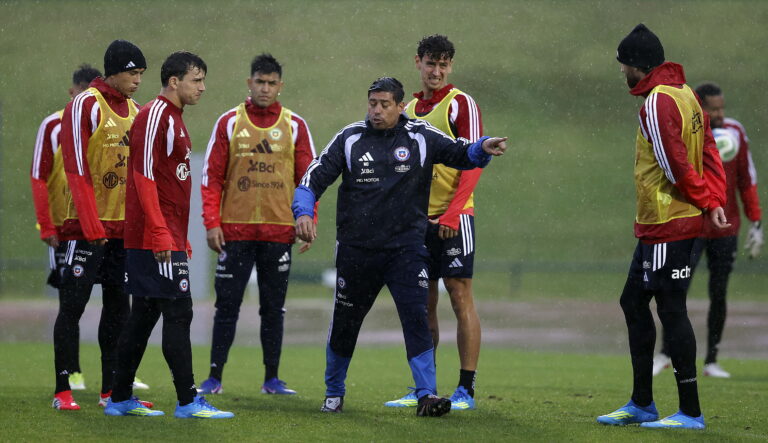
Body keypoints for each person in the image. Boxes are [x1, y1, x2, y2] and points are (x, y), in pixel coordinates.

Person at [292, 77, 507, 416]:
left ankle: (426, 396)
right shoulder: (349, 139)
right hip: (356, 251)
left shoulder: (421, 136)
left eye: (384, 104)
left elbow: (460, 153)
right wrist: (304, 212)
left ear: (399, 106)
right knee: (346, 321)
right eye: (372, 103)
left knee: (416, 317)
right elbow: (311, 180)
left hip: (406, 251)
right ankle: (334, 392)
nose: (376, 111)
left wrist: (482, 148)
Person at [596, 24, 728, 430]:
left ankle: (689, 412)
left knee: (671, 310)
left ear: (638, 65)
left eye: (624, 66)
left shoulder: (656, 101)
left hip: (669, 221)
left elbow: (675, 164)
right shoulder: (686, 94)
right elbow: (709, 150)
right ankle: (642, 404)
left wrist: (708, 201)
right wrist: (715, 199)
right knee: (633, 303)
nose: (622, 73)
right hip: (661, 225)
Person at [104, 51, 232, 419]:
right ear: (174, 81)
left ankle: (119, 398)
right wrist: (161, 233)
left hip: (164, 236)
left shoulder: (173, 118)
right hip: (151, 239)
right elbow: (141, 177)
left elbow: (168, 183)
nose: (203, 87)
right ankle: (188, 401)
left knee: (143, 315)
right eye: (196, 79)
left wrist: (178, 235)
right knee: (179, 312)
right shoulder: (154, 114)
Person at [198, 53, 316, 396]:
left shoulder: (295, 126)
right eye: (259, 82)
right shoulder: (229, 123)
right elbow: (211, 179)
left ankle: (272, 380)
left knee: (273, 309)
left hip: (280, 233)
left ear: (280, 85)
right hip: (234, 232)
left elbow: (309, 179)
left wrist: (307, 219)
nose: (265, 89)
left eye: (271, 83)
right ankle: (214, 378)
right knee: (227, 307)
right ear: (249, 83)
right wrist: (211, 222)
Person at [386, 34, 483, 411]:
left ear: (451, 67)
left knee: (460, 296)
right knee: (421, 304)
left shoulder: (461, 104)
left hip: (457, 217)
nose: (437, 71)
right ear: (418, 63)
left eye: (444, 65)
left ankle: (466, 390)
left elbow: (474, 160)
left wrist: (454, 212)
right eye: (431, 64)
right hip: (418, 222)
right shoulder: (407, 109)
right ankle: (424, 388)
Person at [57, 40, 148, 410]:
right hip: (85, 228)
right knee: (73, 307)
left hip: (122, 231)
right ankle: (62, 391)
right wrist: (91, 224)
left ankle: (110, 391)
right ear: (113, 71)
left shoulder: (137, 111)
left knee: (117, 312)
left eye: (141, 73)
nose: (137, 80)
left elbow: (142, 175)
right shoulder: (85, 105)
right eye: (132, 72)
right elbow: (76, 168)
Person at [652, 82, 763, 378]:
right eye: (713, 108)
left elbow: (746, 179)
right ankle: (664, 354)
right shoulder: (688, 130)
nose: (719, 114)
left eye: (721, 107)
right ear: (699, 107)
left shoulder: (735, 132)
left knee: (719, 293)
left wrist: (756, 221)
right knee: (676, 291)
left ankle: (712, 360)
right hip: (690, 227)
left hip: (725, 229)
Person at [31, 64, 102, 396]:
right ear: (72, 93)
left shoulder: (110, 122)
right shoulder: (54, 125)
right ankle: (71, 373)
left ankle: (117, 377)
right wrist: (45, 223)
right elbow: (39, 176)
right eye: (81, 95)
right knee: (71, 303)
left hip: (103, 227)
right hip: (66, 229)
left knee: (117, 302)